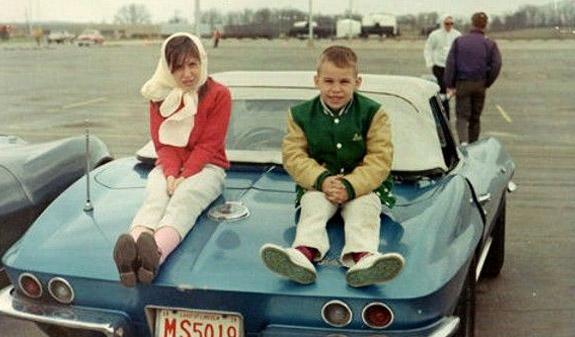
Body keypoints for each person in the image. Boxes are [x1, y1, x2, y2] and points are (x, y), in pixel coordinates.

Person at [259, 45, 404, 288]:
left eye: (344, 82)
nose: (335, 89)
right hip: (318, 186)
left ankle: (364, 259)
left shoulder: (374, 113)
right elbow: (294, 155)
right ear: (316, 81)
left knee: (363, 210)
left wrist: (350, 185)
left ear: (357, 82)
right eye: (328, 81)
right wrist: (322, 180)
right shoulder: (300, 114)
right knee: (312, 207)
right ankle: (302, 254)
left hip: (363, 187)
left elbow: (380, 159)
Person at [113, 32, 231, 287]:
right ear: (167, 69)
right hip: (169, 167)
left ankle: (154, 254)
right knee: (155, 197)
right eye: (177, 67)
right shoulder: (159, 96)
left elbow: (209, 144)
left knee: (184, 198)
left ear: (202, 61)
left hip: (209, 167)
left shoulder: (219, 94)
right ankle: (131, 254)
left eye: (192, 64)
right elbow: (162, 144)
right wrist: (170, 174)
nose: (187, 74)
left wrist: (184, 175)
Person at [444, 12, 502, 144]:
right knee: (475, 118)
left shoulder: (459, 41)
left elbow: (451, 64)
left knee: (462, 117)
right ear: (485, 25)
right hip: (480, 84)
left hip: (463, 83)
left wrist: (450, 84)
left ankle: (463, 142)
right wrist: (487, 82)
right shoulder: (490, 44)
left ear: (472, 23)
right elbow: (496, 65)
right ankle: (473, 144)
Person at [423, 14, 461, 119]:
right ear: (442, 23)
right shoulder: (435, 35)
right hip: (439, 67)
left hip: (453, 68)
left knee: (454, 92)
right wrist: (430, 63)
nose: (449, 26)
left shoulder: (457, 35)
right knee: (443, 94)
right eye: (447, 23)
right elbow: (428, 49)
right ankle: (445, 117)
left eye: (451, 24)